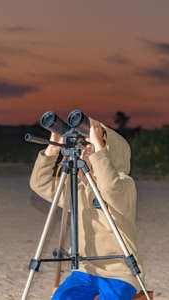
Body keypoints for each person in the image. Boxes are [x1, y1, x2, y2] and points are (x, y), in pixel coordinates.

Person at [29, 118, 145, 300]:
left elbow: (110, 188)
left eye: (93, 146)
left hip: (120, 273)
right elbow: (39, 184)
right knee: (61, 297)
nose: (86, 150)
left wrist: (99, 147)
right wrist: (53, 150)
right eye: (85, 145)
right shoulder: (79, 188)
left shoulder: (125, 184)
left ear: (111, 154)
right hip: (85, 271)